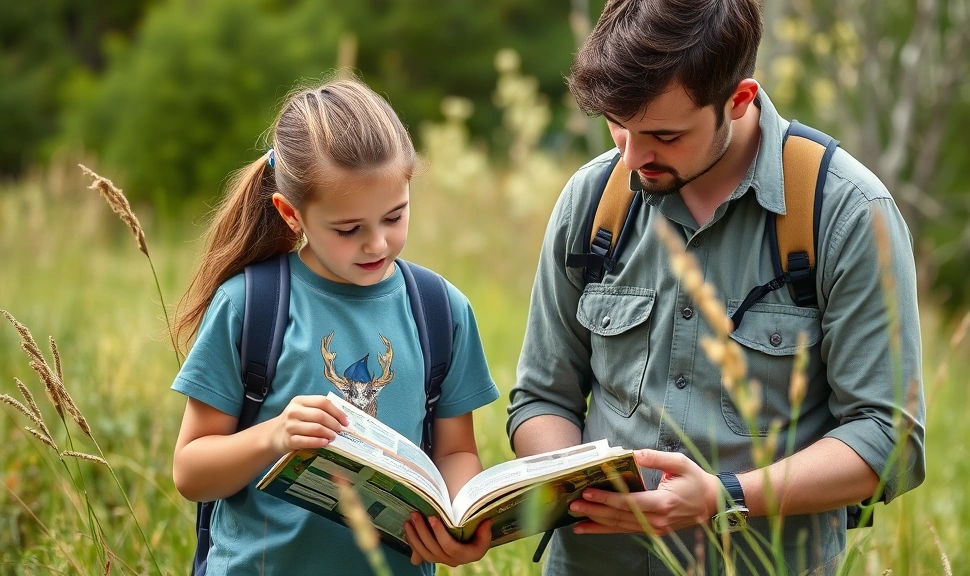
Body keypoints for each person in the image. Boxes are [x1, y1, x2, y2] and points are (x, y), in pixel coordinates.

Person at [506, 1, 925, 574]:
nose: (631, 157)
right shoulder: (592, 199)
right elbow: (540, 400)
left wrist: (723, 497)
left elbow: (888, 439)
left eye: (664, 135)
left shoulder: (847, 212)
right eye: (617, 126)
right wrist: (583, 483)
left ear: (739, 99)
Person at [171, 77, 499, 575]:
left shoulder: (440, 310)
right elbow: (191, 472)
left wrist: (461, 522)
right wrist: (275, 436)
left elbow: (455, 451)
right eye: (349, 230)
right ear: (290, 214)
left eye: (395, 216)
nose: (377, 245)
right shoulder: (250, 306)